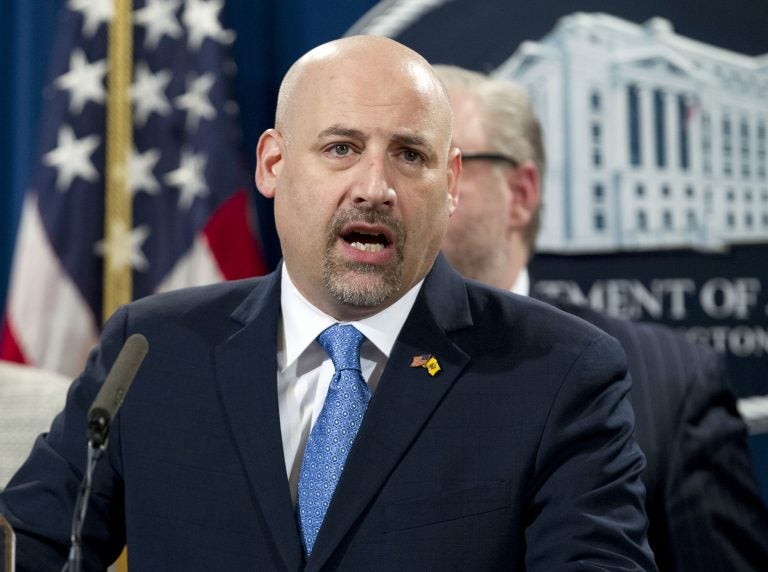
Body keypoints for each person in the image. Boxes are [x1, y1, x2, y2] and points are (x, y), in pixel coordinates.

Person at [0, 36, 656, 570]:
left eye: (409, 154)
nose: (375, 186)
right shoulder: (150, 352)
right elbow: (32, 547)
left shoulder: (558, 373)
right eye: (341, 148)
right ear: (273, 165)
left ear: (450, 183)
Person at [434, 63, 768, 571]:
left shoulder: (669, 383)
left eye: (427, 163)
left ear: (520, 194)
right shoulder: (332, 363)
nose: (390, 192)